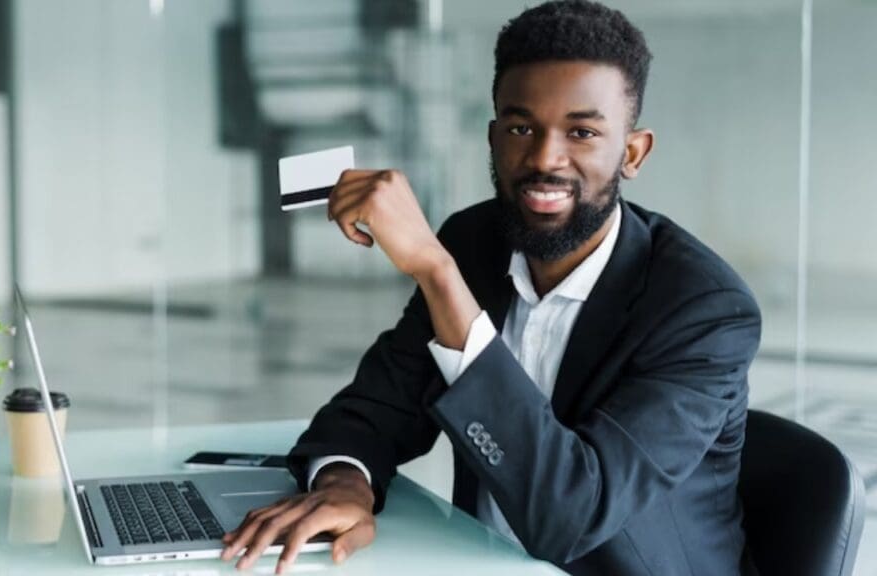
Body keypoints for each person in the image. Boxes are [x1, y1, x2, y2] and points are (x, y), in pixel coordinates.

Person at [221, 1, 761, 574]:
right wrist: (344, 483)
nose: (544, 159)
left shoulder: (704, 310)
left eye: (582, 132)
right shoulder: (475, 243)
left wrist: (436, 273)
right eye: (521, 127)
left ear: (632, 152)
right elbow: (373, 410)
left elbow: (571, 517)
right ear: (493, 137)